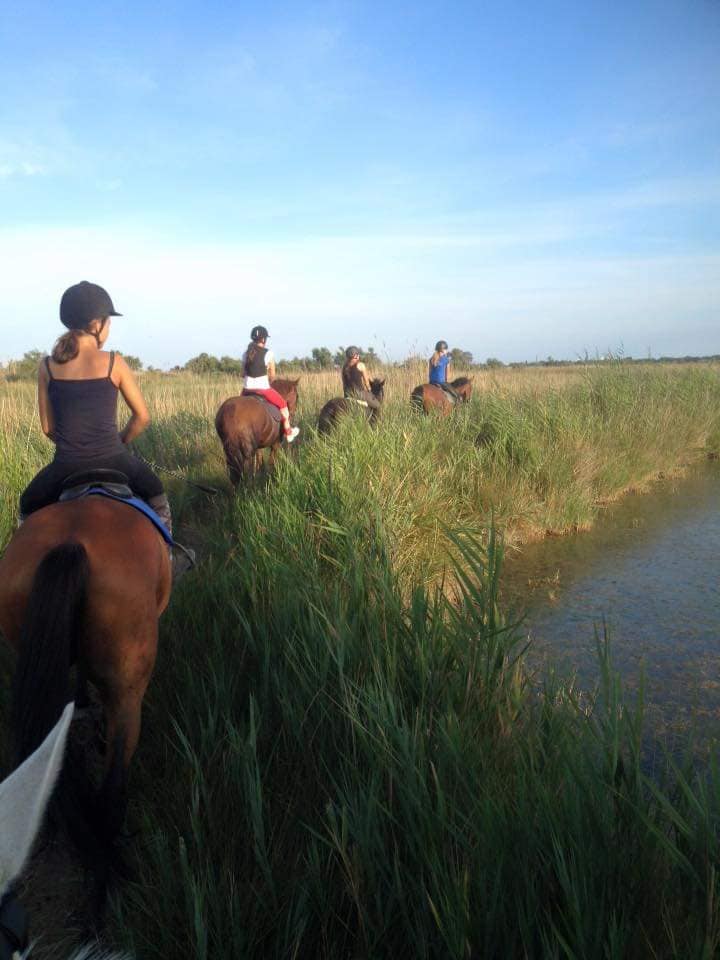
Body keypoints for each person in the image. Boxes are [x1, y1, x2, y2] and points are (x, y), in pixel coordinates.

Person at [19, 281, 193, 572]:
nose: (109, 328)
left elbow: (48, 427)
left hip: (64, 465)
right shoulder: (114, 362)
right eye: (108, 322)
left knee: (27, 505)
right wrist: (119, 441)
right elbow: (142, 417)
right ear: (96, 324)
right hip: (115, 457)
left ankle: (21, 565)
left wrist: (75, 445)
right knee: (157, 495)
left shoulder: (47, 366)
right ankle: (168, 559)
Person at [241, 326, 300, 442]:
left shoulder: (245, 354)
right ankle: (288, 432)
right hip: (263, 389)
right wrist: (265, 370)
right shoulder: (268, 354)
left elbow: (242, 374)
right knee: (283, 405)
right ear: (263, 339)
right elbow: (272, 376)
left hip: (246, 390)